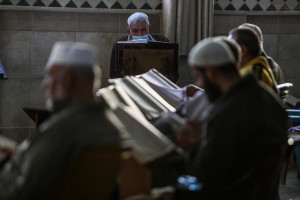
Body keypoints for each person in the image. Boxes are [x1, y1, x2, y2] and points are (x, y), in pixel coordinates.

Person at [0, 42, 121, 199]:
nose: (45, 85)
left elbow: (21, 194)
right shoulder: (109, 124)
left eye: (50, 75)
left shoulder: (64, 129)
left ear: (68, 79)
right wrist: (21, 156)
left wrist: (6, 166)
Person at [172, 37, 288, 199]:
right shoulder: (261, 94)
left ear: (211, 72)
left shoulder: (227, 111)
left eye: (199, 77)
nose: (200, 84)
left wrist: (192, 144)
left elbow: (208, 176)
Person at [110, 12, 178, 82]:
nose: (140, 34)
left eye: (143, 30)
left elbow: (173, 73)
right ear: (129, 31)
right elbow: (114, 74)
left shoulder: (163, 42)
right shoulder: (120, 45)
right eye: (135, 31)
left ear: (149, 28)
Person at [228, 27, 278, 93]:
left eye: (230, 48)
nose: (227, 53)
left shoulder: (253, 74)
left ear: (243, 51)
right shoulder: (257, 69)